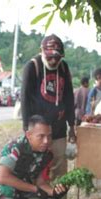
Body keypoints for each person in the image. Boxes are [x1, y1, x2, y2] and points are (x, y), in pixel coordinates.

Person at [21, 34, 76, 180]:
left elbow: (69, 97)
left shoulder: (64, 68)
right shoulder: (32, 67)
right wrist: (27, 128)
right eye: (50, 57)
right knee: (37, 166)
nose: (53, 61)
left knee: (59, 167)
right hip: (38, 130)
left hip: (58, 129)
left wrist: (72, 126)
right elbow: (25, 99)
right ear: (42, 52)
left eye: (57, 57)